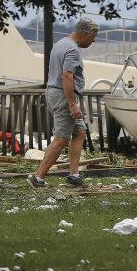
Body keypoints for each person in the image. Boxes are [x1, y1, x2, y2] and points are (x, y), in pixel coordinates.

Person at [26, 18, 99, 189]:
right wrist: (72, 104)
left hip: (54, 93)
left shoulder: (60, 43)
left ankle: (74, 175)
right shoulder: (72, 50)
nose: (94, 40)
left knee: (80, 132)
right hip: (63, 96)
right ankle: (37, 177)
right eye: (93, 36)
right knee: (61, 138)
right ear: (86, 33)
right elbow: (67, 76)